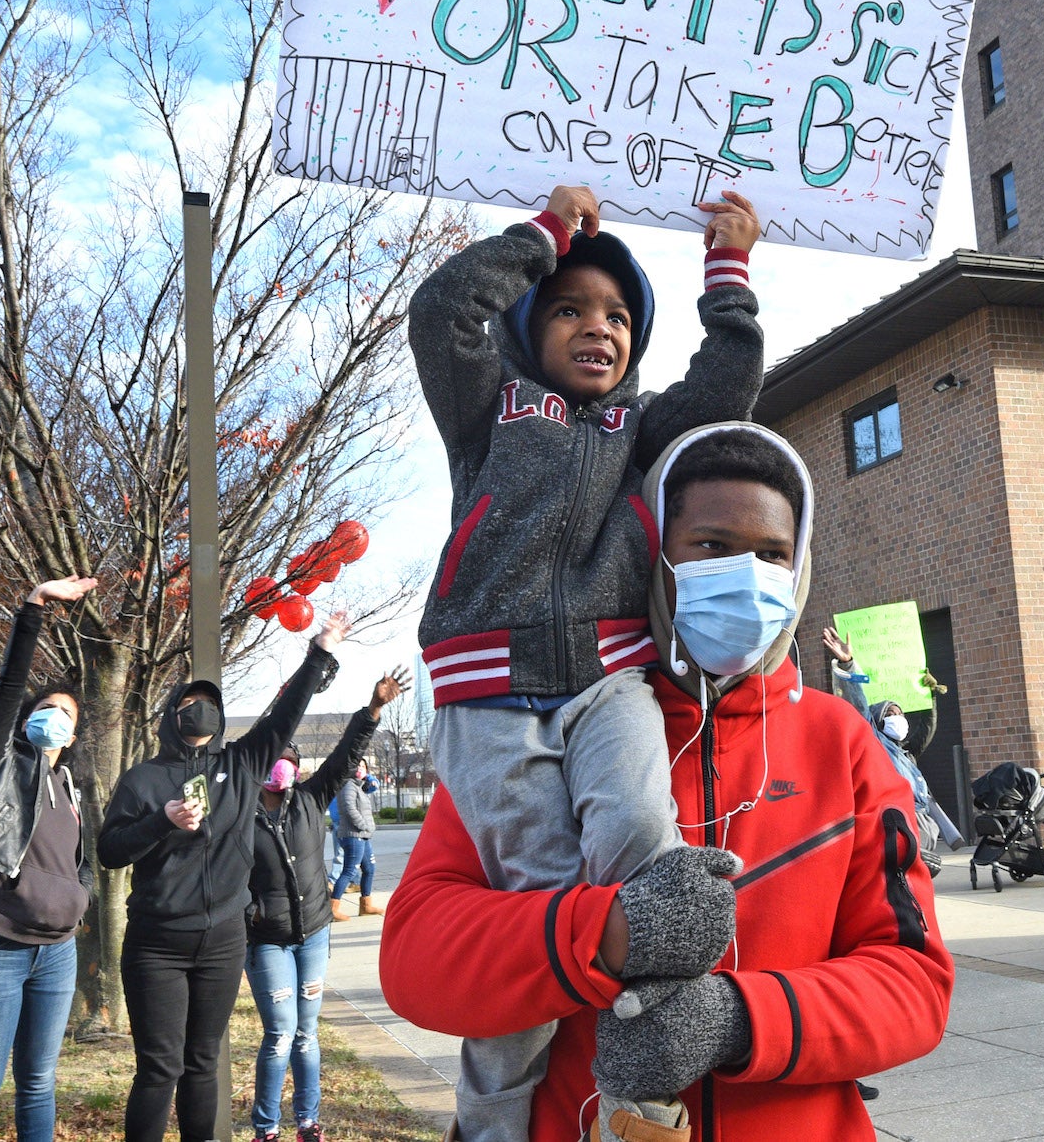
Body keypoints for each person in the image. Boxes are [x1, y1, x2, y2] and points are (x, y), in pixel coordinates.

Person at [380, 423, 953, 1142]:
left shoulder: (842, 743)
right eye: (712, 546)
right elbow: (415, 956)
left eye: (773, 553)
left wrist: (739, 1021)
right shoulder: (549, 725)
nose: (746, 573)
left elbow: (914, 985)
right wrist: (603, 934)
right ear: (653, 556)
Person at [405, 185, 764, 1142]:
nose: (597, 327)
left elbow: (723, 396)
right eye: (570, 307)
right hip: (489, 692)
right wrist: (545, 236)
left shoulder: (637, 431)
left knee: (646, 848)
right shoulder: (489, 410)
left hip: (610, 675)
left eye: (616, 315)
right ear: (530, 324)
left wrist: (727, 276)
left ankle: (636, 1097)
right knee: (541, 913)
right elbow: (441, 310)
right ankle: (491, 1119)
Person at [98, 617, 342, 1142]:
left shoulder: (242, 763)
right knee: (160, 1068)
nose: (201, 710)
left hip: (223, 942)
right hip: (157, 945)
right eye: (191, 703)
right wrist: (160, 819)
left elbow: (284, 716)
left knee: (203, 1062)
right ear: (172, 714)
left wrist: (318, 655)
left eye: (210, 702)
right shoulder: (142, 779)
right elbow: (110, 851)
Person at [0, 576, 98, 1142]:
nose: (55, 716)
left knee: (39, 1083)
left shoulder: (70, 787)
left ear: (74, 734)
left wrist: (79, 901)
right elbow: (6, 690)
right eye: (47, 708)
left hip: (56, 954)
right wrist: (34, 607)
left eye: (67, 714)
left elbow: (76, 863)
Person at [247, 666, 407, 1142]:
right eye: (277, 758)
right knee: (279, 1034)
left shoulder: (311, 800)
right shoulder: (239, 812)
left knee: (306, 1034)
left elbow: (346, 756)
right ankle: (265, 1128)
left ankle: (308, 1123)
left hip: (314, 934)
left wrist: (374, 709)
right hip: (267, 942)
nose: (284, 766)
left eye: (290, 759)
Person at [825, 628, 962, 875]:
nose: (897, 718)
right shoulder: (875, 743)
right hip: (899, 821)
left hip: (923, 822)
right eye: (890, 714)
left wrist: (930, 697)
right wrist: (848, 665)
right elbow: (858, 707)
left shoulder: (906, 753)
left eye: (899, 714)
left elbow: (927, 729)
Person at [328, 757, 380, 921]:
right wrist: (363, 825)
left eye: (364, 766)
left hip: (363, 835)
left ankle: (366, 905)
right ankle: (332, 909)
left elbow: (371, 789)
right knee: (349, 870)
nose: (361, 768)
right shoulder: (348, 785)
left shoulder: (359, 786)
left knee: (369, 869)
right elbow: (349, 808)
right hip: (353, 835)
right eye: (358, 766)